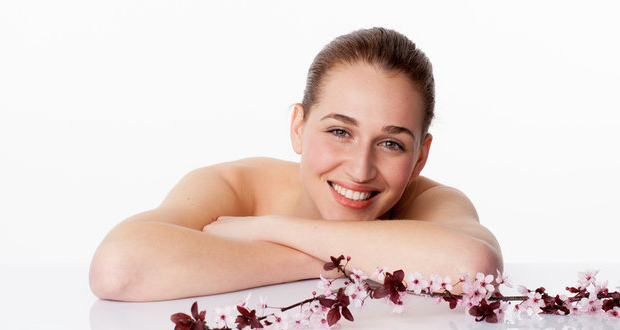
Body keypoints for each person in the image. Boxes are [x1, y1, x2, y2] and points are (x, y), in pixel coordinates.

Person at [89, 27, 503, 301]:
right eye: (340, 131)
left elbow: (475, 268)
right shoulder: (233, 187)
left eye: (392, 143)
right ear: (298, 128)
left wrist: (268, 229)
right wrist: (332, 264)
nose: (360, 170)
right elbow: (117, 269)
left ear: (420, 158)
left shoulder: (430, 202)